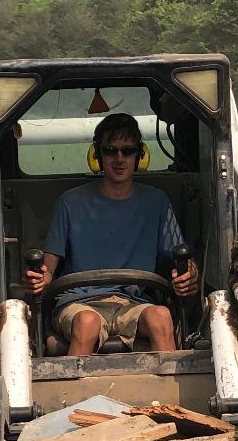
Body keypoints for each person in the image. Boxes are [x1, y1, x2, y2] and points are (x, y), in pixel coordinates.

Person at [23, 112, 198, 356]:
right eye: (110, 150)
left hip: (133, 303)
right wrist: (39, 278)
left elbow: (182, 263)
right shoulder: (71, 203)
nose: (119, 158)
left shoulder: (156, 202)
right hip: (79, 303)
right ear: (97, 154)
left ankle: (168, 391)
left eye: (127, 151)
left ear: (139, 155)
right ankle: (74, 393)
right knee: (87, 324)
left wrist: (189, 275)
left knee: (161, 316)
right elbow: (48, 271)